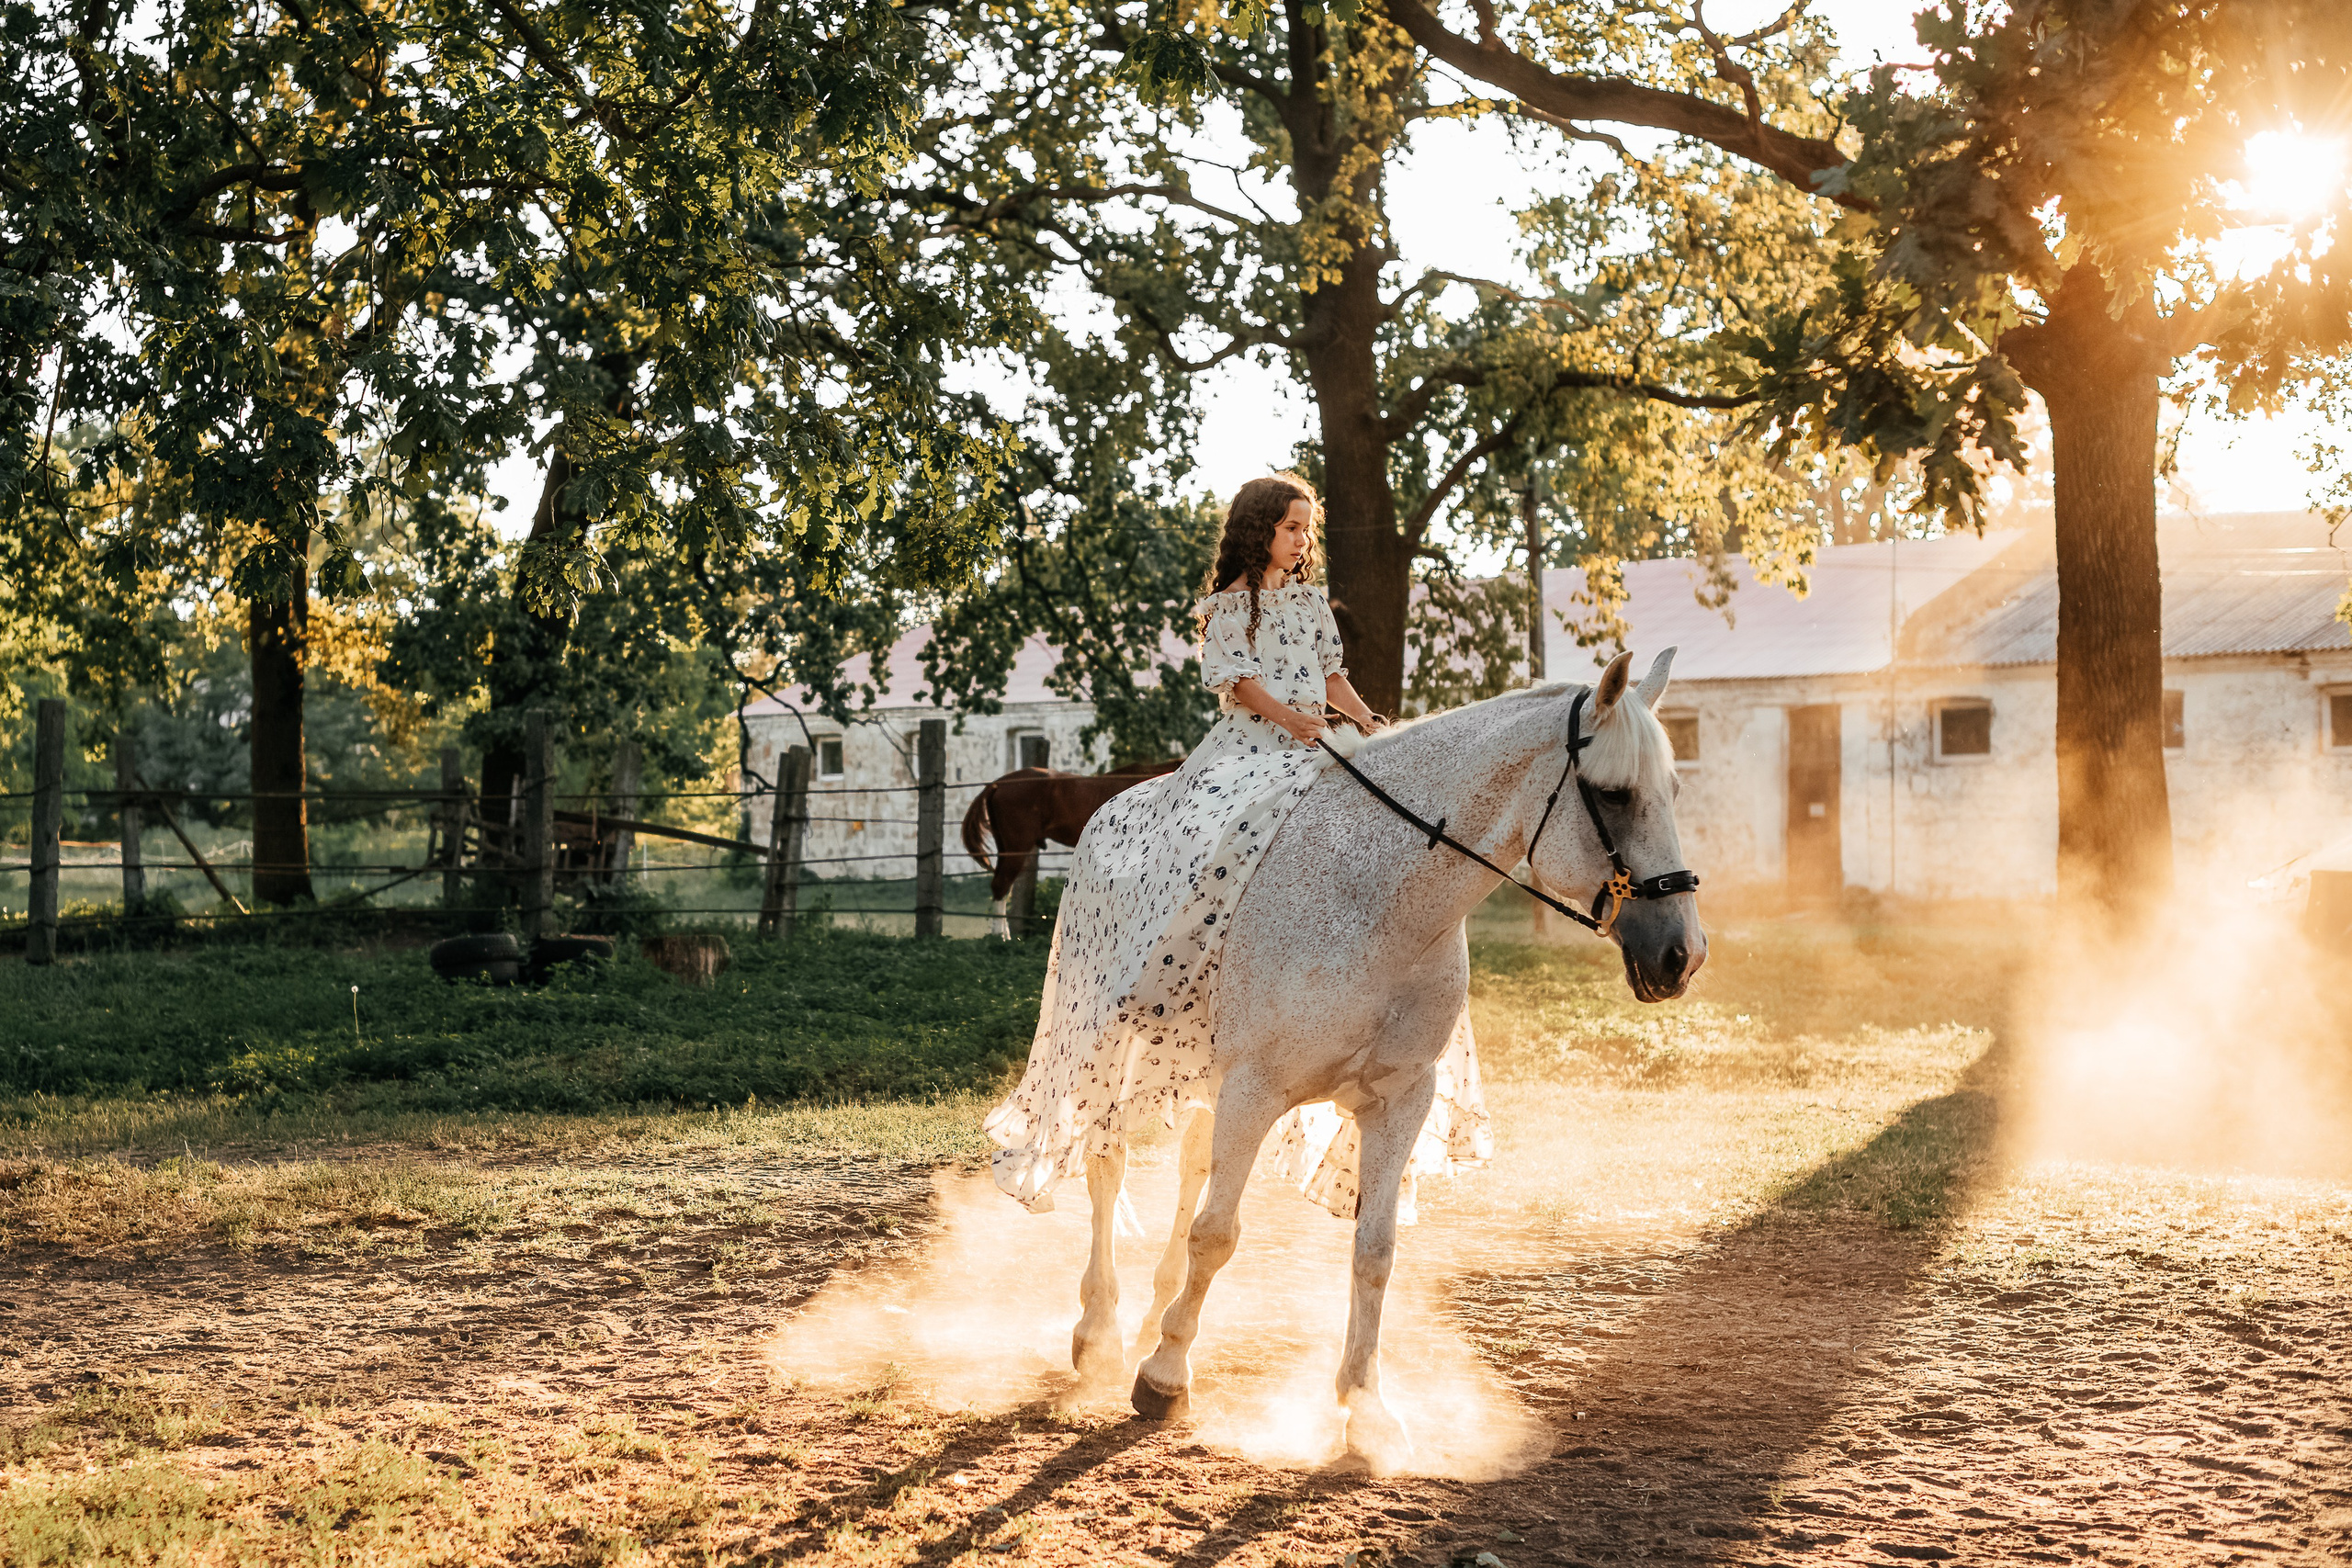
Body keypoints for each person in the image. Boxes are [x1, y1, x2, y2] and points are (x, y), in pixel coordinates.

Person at [984, 473, 1490, 1220]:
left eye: (1307, 530)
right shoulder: (1226, 608)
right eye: (1291, 527)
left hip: (1316, 739)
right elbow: (1244, 688)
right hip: (1249, 749)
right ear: (1259, 531)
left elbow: (1333, 676)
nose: (1302, 540)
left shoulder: (1312, 604)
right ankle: (1169, 973)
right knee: (1217, 834)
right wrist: (1293, 720)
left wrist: (1367, 718)